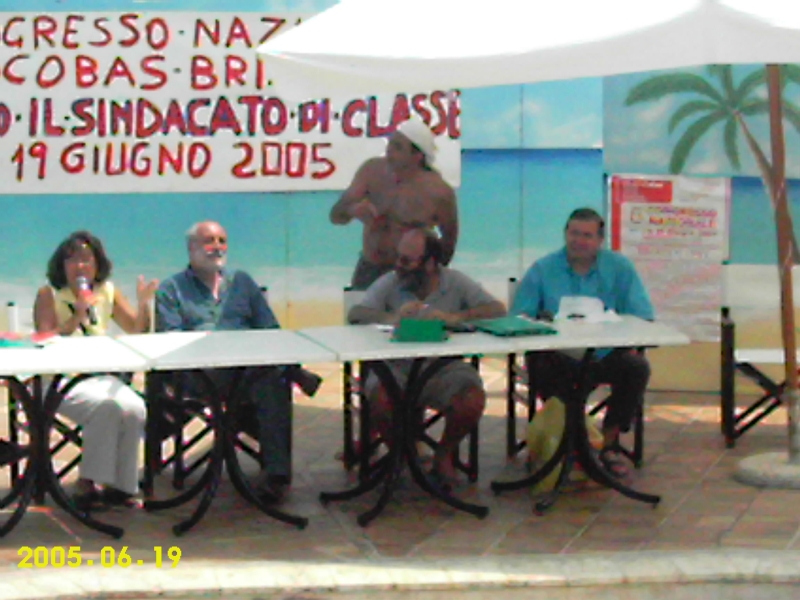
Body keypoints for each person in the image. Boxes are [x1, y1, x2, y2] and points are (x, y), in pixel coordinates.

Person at [155, 221, 321, 502]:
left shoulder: (242, 282)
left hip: (245, 373)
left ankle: (276, 475)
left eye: (222, 240)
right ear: (191, 248)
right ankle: (295, 372)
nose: (217, 247)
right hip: (198, 376)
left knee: (271, 380)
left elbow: (269, 328)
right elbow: (169, 340)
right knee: (270, 374)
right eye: (209, 241)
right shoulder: (172, 289)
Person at [349, 227, 506, 486]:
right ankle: (402, 453)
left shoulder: (455, 282)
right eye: (398, 258)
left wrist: (455, 317)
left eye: (407, 261)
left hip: (442, 368)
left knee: (472, 398)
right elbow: (357, 313)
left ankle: (444, 453)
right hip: (396, 367)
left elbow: (497, 309)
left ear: (430, 263)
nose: (399, 266)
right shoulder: (391, 282)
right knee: (380, 396)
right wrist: (392, 317)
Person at [511, 207, 654, 477]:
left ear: (600, 240)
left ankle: (608, 444)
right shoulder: (543, 269)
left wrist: (621, 332)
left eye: (587, 235)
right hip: (557, 355)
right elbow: (519, 317)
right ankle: (569, 444)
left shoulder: (620, 267)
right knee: (543, 365)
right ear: (565, 234)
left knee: (636, 368)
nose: (579, 241)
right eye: (574, 233)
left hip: (604, 353)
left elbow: (641, 315)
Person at [33, 231, 156, 511]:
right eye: (72, 260)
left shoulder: (107, 291)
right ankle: (87, 484)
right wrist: (77, 315)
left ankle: (121, 486)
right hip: (58, 379)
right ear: (61, 265)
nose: (80, 266)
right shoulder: (49, 294)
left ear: (97, 264)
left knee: (134, 407)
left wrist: (144, 304)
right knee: (105, 408)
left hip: (98, 376)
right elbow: (45, 337)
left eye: (87, 260)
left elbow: (136, 330)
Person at [330, 114, 459, 290]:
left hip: (412, 272)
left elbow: (449, 240)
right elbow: (335, 215)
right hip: (370, 267)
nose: (389, 151)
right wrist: (352, 210)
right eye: (389, 144)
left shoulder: (438, 192)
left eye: (397, 147)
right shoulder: (371, 172)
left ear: (417, 155)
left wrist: (432, 277)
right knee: (361, 307)